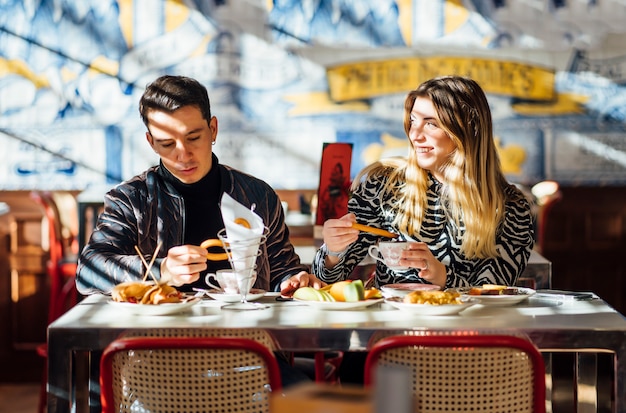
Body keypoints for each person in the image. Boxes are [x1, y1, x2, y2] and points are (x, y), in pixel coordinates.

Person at [75, 74, 325, 386]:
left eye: (194, 137)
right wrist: (160, 271)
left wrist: (293, 280)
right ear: (151, 142)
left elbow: (282, 270)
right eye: (167, 144)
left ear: (213, 129)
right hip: (155, 359)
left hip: (249, 354)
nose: (183, 154)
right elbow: (88, 271)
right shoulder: (132, 199)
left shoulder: (257, 196)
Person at [311, 75, 535, 383]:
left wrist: (442, 276)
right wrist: (333, 251)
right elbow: (327, 278)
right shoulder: (382, 185)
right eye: (413, 121)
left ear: (466, 129)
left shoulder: (511, 207)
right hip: (386, 347)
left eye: (431, 123)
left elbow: (493, 297)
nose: (415, 134)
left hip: (469, 355)